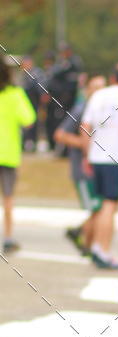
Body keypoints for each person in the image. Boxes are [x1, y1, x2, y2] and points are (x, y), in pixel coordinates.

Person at [80, 64, 118, 268]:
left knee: (101, 204)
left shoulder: (98, 95)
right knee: (110, 204)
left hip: (97, 155)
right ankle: (102, 250)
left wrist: (87, 154)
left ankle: (94, 246)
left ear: (113, 78)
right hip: (115, 156)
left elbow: (85, 127)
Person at [54, 75, 106, 256]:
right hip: (82, 170)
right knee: (97, 208)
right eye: (95, 88)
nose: (99, 92)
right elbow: (60, 135)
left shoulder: (104, 110)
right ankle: (86, 243)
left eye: (103, 88)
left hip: (98, 167)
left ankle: (83, 239)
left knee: (99, 208)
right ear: (88, 90)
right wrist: (84, 144)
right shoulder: (80, 110)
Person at [0, 58, 36, 253]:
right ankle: (7, 238)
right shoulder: (15, 94)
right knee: (7, 198)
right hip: (8, 153)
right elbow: (29, 119)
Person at [20, 55, 44, 152]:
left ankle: (32, 142)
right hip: (24, 102)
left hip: (34, 101)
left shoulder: (36, 73)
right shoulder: (23, 74)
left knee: (33, 122)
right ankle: (25, 141)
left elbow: (39, 87)